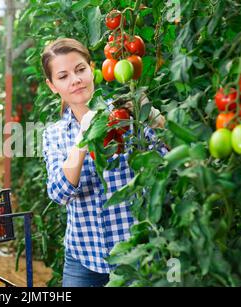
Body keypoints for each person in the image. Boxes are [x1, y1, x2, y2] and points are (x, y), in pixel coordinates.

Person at [41, 38, 166, 287]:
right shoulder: (54, 134)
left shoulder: (126, 114)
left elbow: (164, 162)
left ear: (92, 69)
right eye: (63, 76)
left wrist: (156, 121)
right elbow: (58, 193)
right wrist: (83, 138)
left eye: (80, 70)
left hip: (136, 254)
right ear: (52, 86)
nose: (75, 80)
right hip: (83, 258)